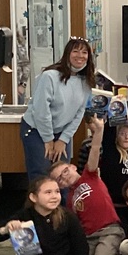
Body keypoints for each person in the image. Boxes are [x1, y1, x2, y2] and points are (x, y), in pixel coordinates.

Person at [48, 117, 124, 255]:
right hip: (89, 237)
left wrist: (99, 131)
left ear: (73, 166)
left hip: (109, 230)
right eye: (59, 179)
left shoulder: (89, 175)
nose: (64, 177)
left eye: (65, 172)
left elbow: (95, 149)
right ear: (59, 186)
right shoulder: (69, 198)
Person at [20, 37, 94, 180]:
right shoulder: (50, 76)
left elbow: (79, 114)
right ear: (67, 54)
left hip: (61, 133)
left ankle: (62, 203)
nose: (80, 55)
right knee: (41, 175)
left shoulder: (86, 82)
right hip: (36, 130)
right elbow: (41, 111)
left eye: (84, 52)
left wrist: (63, 140)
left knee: (64, 175)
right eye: (76, 51)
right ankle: (38, 202)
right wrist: (48, 139)